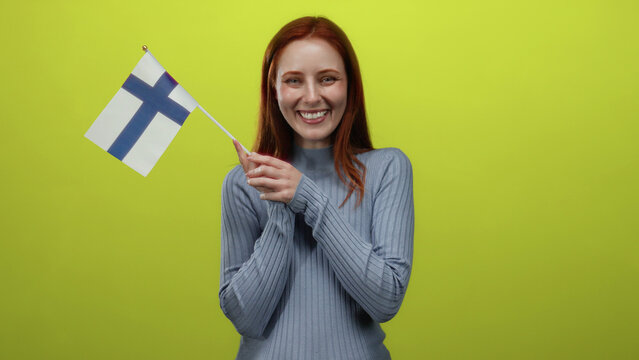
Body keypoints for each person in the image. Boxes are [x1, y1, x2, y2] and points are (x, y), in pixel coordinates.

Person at [219, 16, 414, 360]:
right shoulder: (243, 183)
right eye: (294, 80)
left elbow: (385, 300)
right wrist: (279, 203)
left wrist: (306, 198)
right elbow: (246, 318)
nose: (312, 97)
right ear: (274, 89)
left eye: (327, 79)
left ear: (350, 86)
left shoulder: (388, 169)